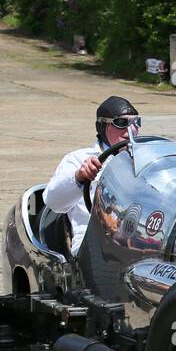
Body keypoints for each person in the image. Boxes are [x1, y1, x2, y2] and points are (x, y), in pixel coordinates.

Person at [41, 96, 141, 253]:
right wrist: (79, 177)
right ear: (103, 126)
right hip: (93, 241)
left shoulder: (148, 159)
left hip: (141, 240)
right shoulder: (78, 158)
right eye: (122, 123)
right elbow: (53, 202)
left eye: (136, 122)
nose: (132, 130)